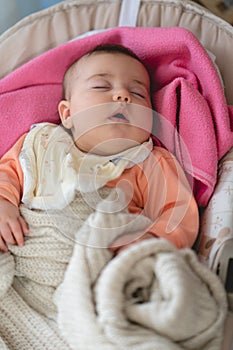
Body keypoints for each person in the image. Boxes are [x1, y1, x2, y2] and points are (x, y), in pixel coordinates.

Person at [0, 43, 199, 253]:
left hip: (108, 259)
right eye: (101, 87)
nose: (123, 95)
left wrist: (151, 238)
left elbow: (179, 211)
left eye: (138, 93)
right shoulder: (42, 144)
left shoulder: (149, 162)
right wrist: (3, 204)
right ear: (68, 114)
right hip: (30, 249)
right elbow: (6, 176)